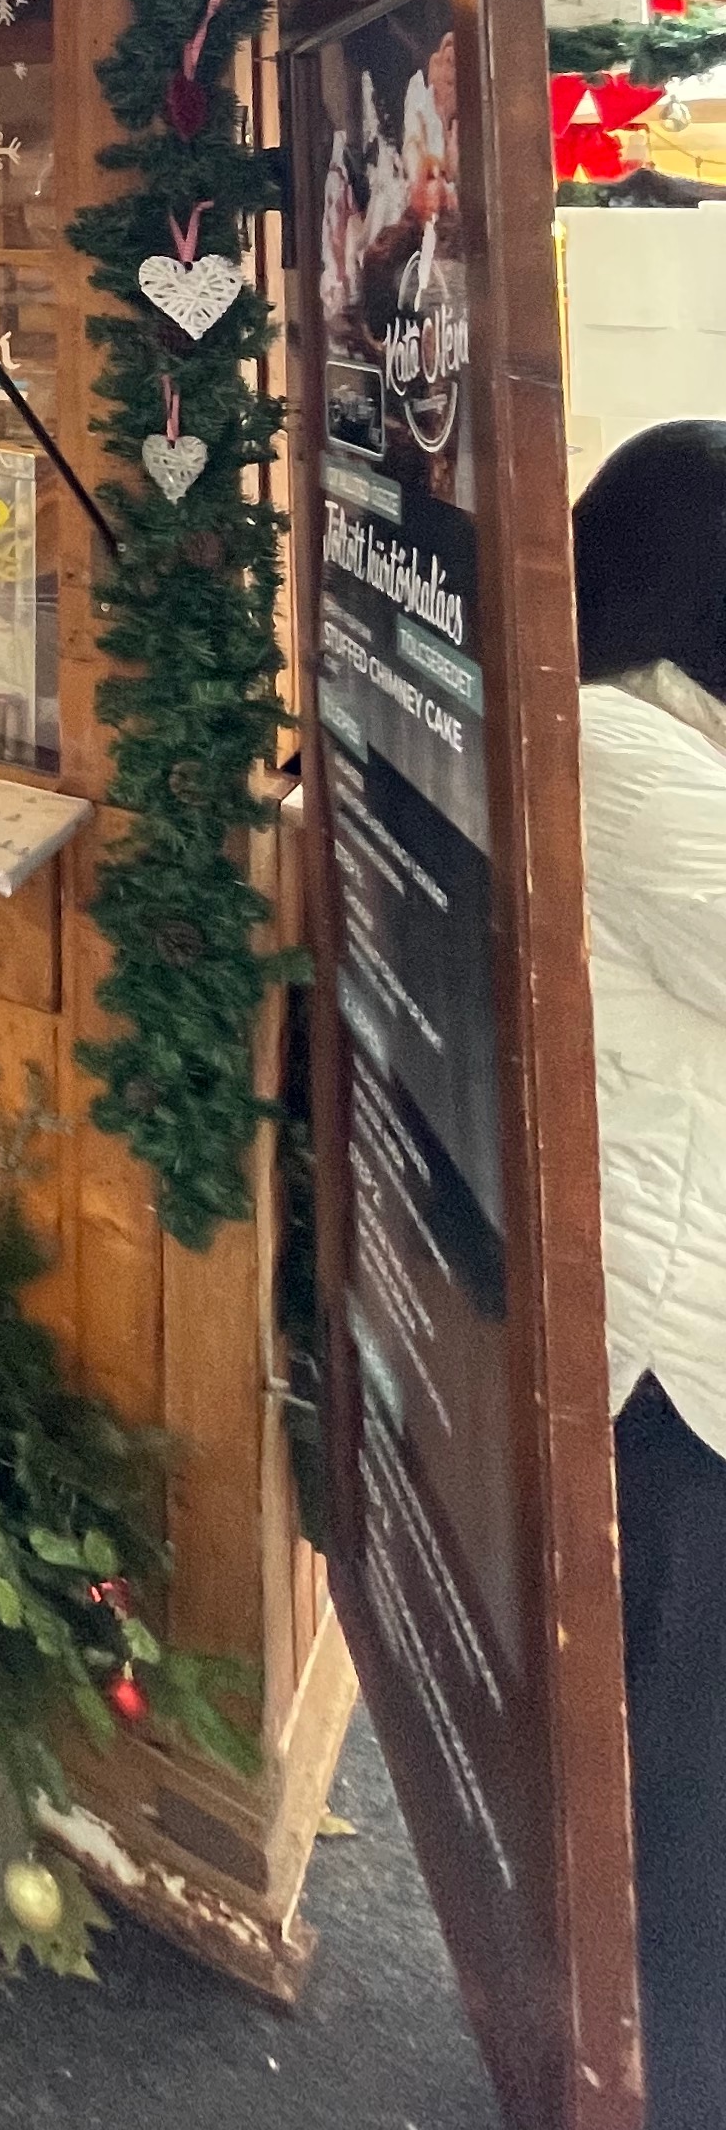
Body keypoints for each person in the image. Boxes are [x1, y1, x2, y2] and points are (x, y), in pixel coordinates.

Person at [573, 418, 726, 2130]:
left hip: (656, 1316)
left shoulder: (640, 731)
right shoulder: (624, 750)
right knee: (667, 1779)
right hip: (663, 1336)